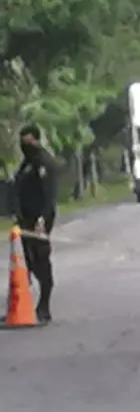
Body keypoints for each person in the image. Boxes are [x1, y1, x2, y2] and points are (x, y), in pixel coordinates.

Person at [13, 125, 58, 323]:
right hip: (25, 219)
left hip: (39, 219)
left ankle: (44, 306)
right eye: (23, 143)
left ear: (37, 140)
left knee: (41, 260)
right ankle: (21, 306)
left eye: (29, 142)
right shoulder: (26, 163)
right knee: (26, 263)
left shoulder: (44, 161)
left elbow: (49, 194)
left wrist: (43, 218)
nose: (26, 146)